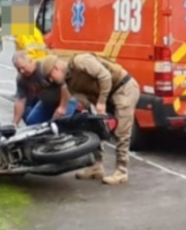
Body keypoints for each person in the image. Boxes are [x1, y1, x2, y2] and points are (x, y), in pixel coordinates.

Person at [44, 54, 140, 185]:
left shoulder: (80, 61)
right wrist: (90, 112)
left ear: (56, 68)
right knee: (94, 126)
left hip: (123, 88)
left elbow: (104, 76)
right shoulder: (69, 83)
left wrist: (101, 101)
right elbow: (84, 99)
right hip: (106, 95)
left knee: (122, 132)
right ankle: (97, 166)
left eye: (50, 76)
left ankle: (121, 171)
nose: (51, 80)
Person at [12, 51, 75, 126]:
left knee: (61, 124)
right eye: (18, 69)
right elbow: (20, 101)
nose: (21, 71)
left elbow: (65, 85)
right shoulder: (21, 79)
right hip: (46, 101)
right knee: (32, 121)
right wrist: (14, 123)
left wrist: (62, 107)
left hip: (66, 98)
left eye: (23, 67)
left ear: (31, 61)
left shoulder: (45, 68)